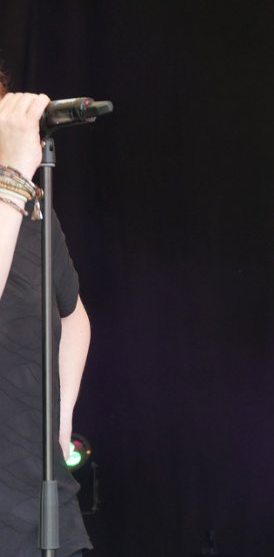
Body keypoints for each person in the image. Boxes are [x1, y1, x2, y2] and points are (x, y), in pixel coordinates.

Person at [0, 83, 92, 556]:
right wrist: (14, 177)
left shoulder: (27, 207)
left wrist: (60, 424)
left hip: (37, 501)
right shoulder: (14, 193)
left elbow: (73, 318)